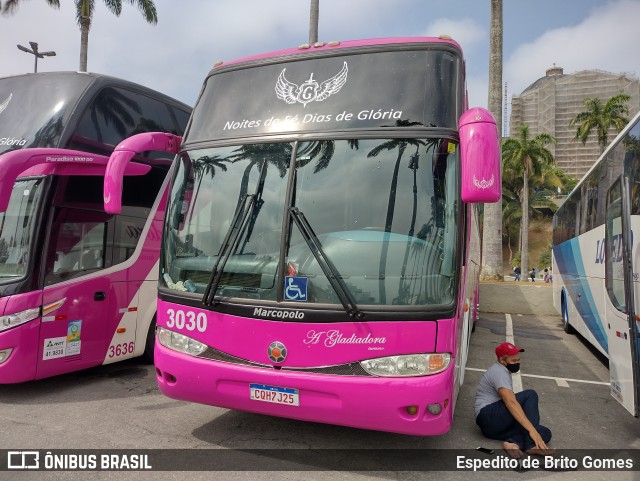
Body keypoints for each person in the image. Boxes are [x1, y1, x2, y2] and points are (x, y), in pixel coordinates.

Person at [474, 342, 554, 458]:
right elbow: (510, 402)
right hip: (487, 416)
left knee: (545, 432)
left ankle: (512, 443)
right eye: (514, 361)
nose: (517, 363)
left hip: (493, 428)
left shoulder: (504, 370)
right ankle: (531, 444)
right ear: (502, 360)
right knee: (530, 395)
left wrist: (533, 430)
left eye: (519, 360)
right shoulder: (499, 372)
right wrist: (532, 430)